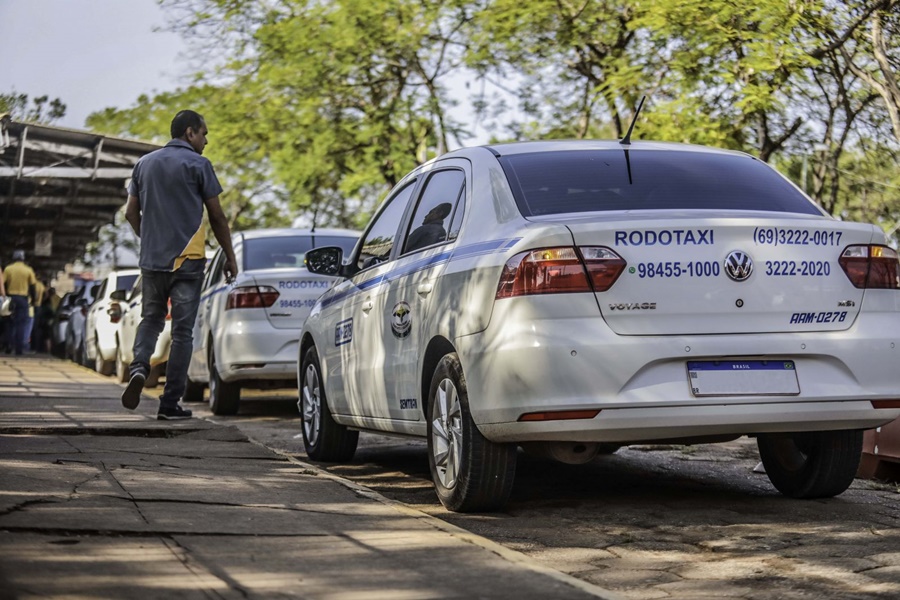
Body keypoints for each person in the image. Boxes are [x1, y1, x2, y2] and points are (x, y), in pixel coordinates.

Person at [121, 109, 237, 420]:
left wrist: (148, 241)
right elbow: (217, 216)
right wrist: (230, 256)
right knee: (183, 332)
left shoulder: (143, 164)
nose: (206, 140)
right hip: (188, 263)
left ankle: (140, 366)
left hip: (152, 261)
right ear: (189, 133)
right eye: (204, 134)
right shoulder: (199, 164)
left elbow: (130, 213)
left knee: (151, 319)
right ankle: (169, 404)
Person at [2, 250, 38, 355]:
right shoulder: (28, 270)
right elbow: (32, 287)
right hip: (23, 299)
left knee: (8, 323)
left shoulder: (8, 269)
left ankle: (8, 345)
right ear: (23, 258)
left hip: (10, 298)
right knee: (21, 324)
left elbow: (3, 284)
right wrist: (34, 300)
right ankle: (19, 349)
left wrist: (4, 296)